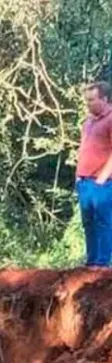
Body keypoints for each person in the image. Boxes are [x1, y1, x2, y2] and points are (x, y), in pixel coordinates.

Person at [77, 81, 112, 267]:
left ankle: (102, 264)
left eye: (92, 100)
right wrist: (78, 175)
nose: (88, 104)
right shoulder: (88, 122)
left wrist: (102, 178)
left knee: (103, 222)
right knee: (88, 222)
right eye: (87, 100)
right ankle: (91, 262)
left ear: (104, 99)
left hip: (102, 182)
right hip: (84, 181)